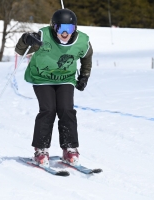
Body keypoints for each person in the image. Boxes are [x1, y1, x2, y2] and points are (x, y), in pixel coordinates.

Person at [15, 8, 93, 167]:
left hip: (65, 79)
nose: (65, 33)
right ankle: (41, 150)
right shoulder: (43, 37)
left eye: (69, 29)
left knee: (66, 109)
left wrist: (84, 76)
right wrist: (26, 39)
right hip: (41, 78)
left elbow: (87, 57)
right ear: (53, 27)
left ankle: (70, 148)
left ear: (75, 28)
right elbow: (19, 50)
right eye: (60, 29)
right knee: (48, 109)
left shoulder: (82, 42)